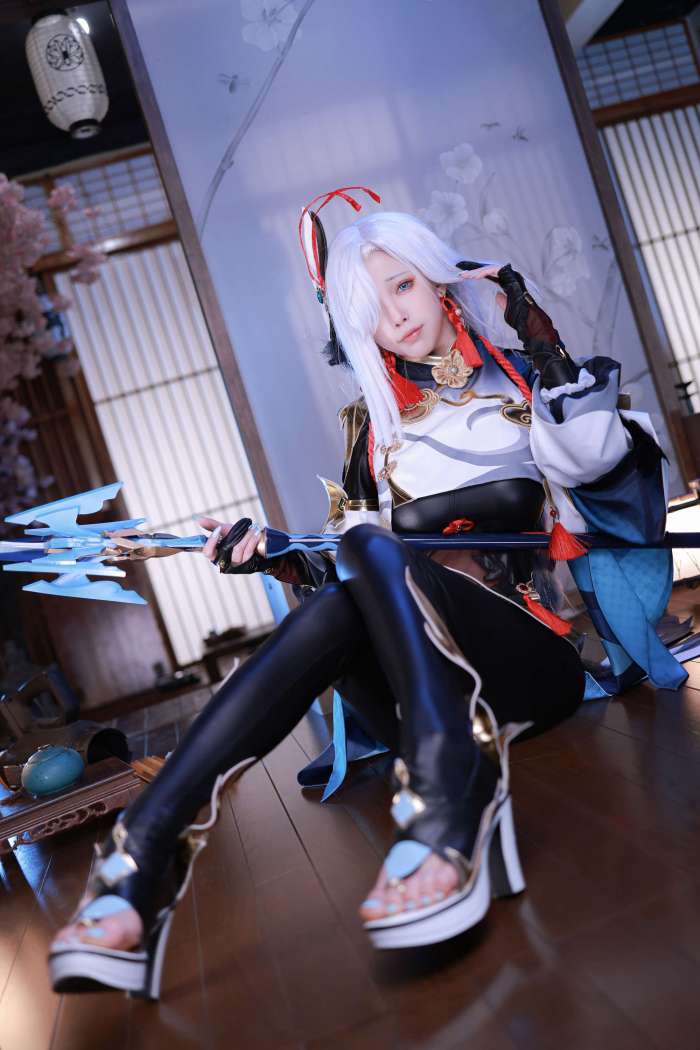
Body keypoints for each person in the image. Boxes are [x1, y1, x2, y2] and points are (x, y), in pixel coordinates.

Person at [48, 198, 677, 998]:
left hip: (529, 663)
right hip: (413, 697)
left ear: (439, 279)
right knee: (359, 555)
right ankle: (435, 792)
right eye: (369, 308)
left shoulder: (530, 387)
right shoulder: (373, 433)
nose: (395, 315)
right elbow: (349, 575)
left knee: (369, 546)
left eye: (403, 285)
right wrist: (276, 553)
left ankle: (144, 853)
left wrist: (545, 346)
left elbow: (597, 461)